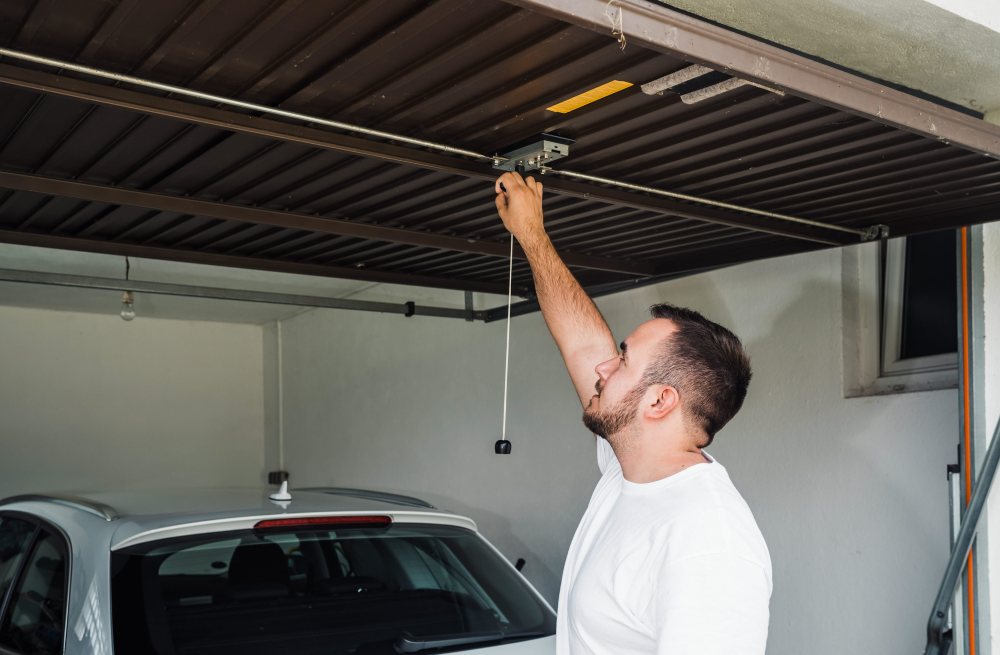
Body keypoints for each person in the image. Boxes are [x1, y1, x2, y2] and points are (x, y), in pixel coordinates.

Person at [494, 171, 772, 655]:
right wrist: (531, 236)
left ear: (660, 401)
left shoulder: (708, 541)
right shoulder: (627, 472)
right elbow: (583, 345)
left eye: (622, 359)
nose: (604, 366)